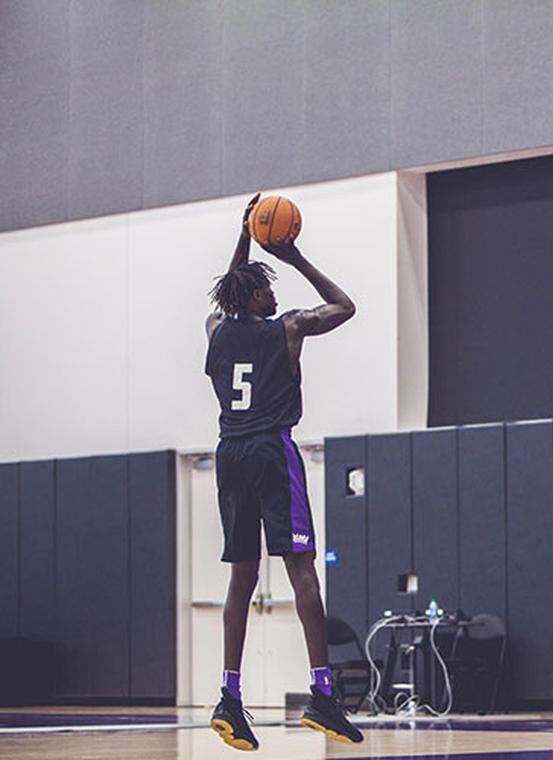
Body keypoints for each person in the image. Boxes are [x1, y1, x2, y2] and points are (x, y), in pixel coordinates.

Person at [204, 194, 362, 750]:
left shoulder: (215, 330)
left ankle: (229, 696)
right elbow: (344, 306)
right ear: (256, 294)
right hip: (272, 450)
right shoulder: (288, 328)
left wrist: (244, 235)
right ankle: (323, 696)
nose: (277, 292)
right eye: (267, 285)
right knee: (301, 569)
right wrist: (293, 256)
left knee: (241, 579)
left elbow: (228, 293)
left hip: (229, 455)